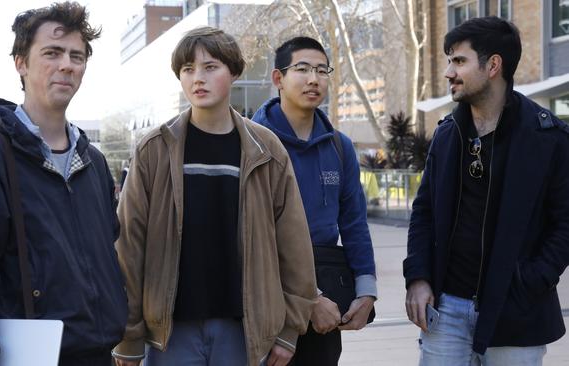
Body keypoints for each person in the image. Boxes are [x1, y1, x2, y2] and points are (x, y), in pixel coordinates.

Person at [0, 2, 128, 365]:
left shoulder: (94, 161)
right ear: (21, 63)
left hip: (98, 354)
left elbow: (105, 257)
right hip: (24, 357)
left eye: (77, 55)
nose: (67, 65)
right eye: (52, 53)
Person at [112, 27, 317, 366]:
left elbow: (293, 242)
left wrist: (290, 329)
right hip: (168, 332)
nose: (198, 79)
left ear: (234, 71)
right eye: (188, 69)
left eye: (210, 67)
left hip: (243, 329)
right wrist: (129, 334)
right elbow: (128, 246)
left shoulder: (267, 149)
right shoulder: (154, 150)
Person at [404, 16, 569, 365]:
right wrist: (417, 277)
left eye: (459, 61)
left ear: (493, 65)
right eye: (449, 60)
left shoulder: (548, 139)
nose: (449, 71)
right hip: (445, 310)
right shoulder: (447, 135)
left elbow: (565, 223)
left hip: (517, 313)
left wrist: (531, 281)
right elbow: (424, 212)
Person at [252, 36, 377, 366]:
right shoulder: (251, 142)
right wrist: (309, 298)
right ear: (278, 78)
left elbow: (354, 223)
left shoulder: (339, 146)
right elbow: (252, 235)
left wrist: (366, 291)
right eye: (303, 69)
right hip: (267, 296)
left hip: (326, 298)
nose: (314, 79)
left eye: (322, 70)